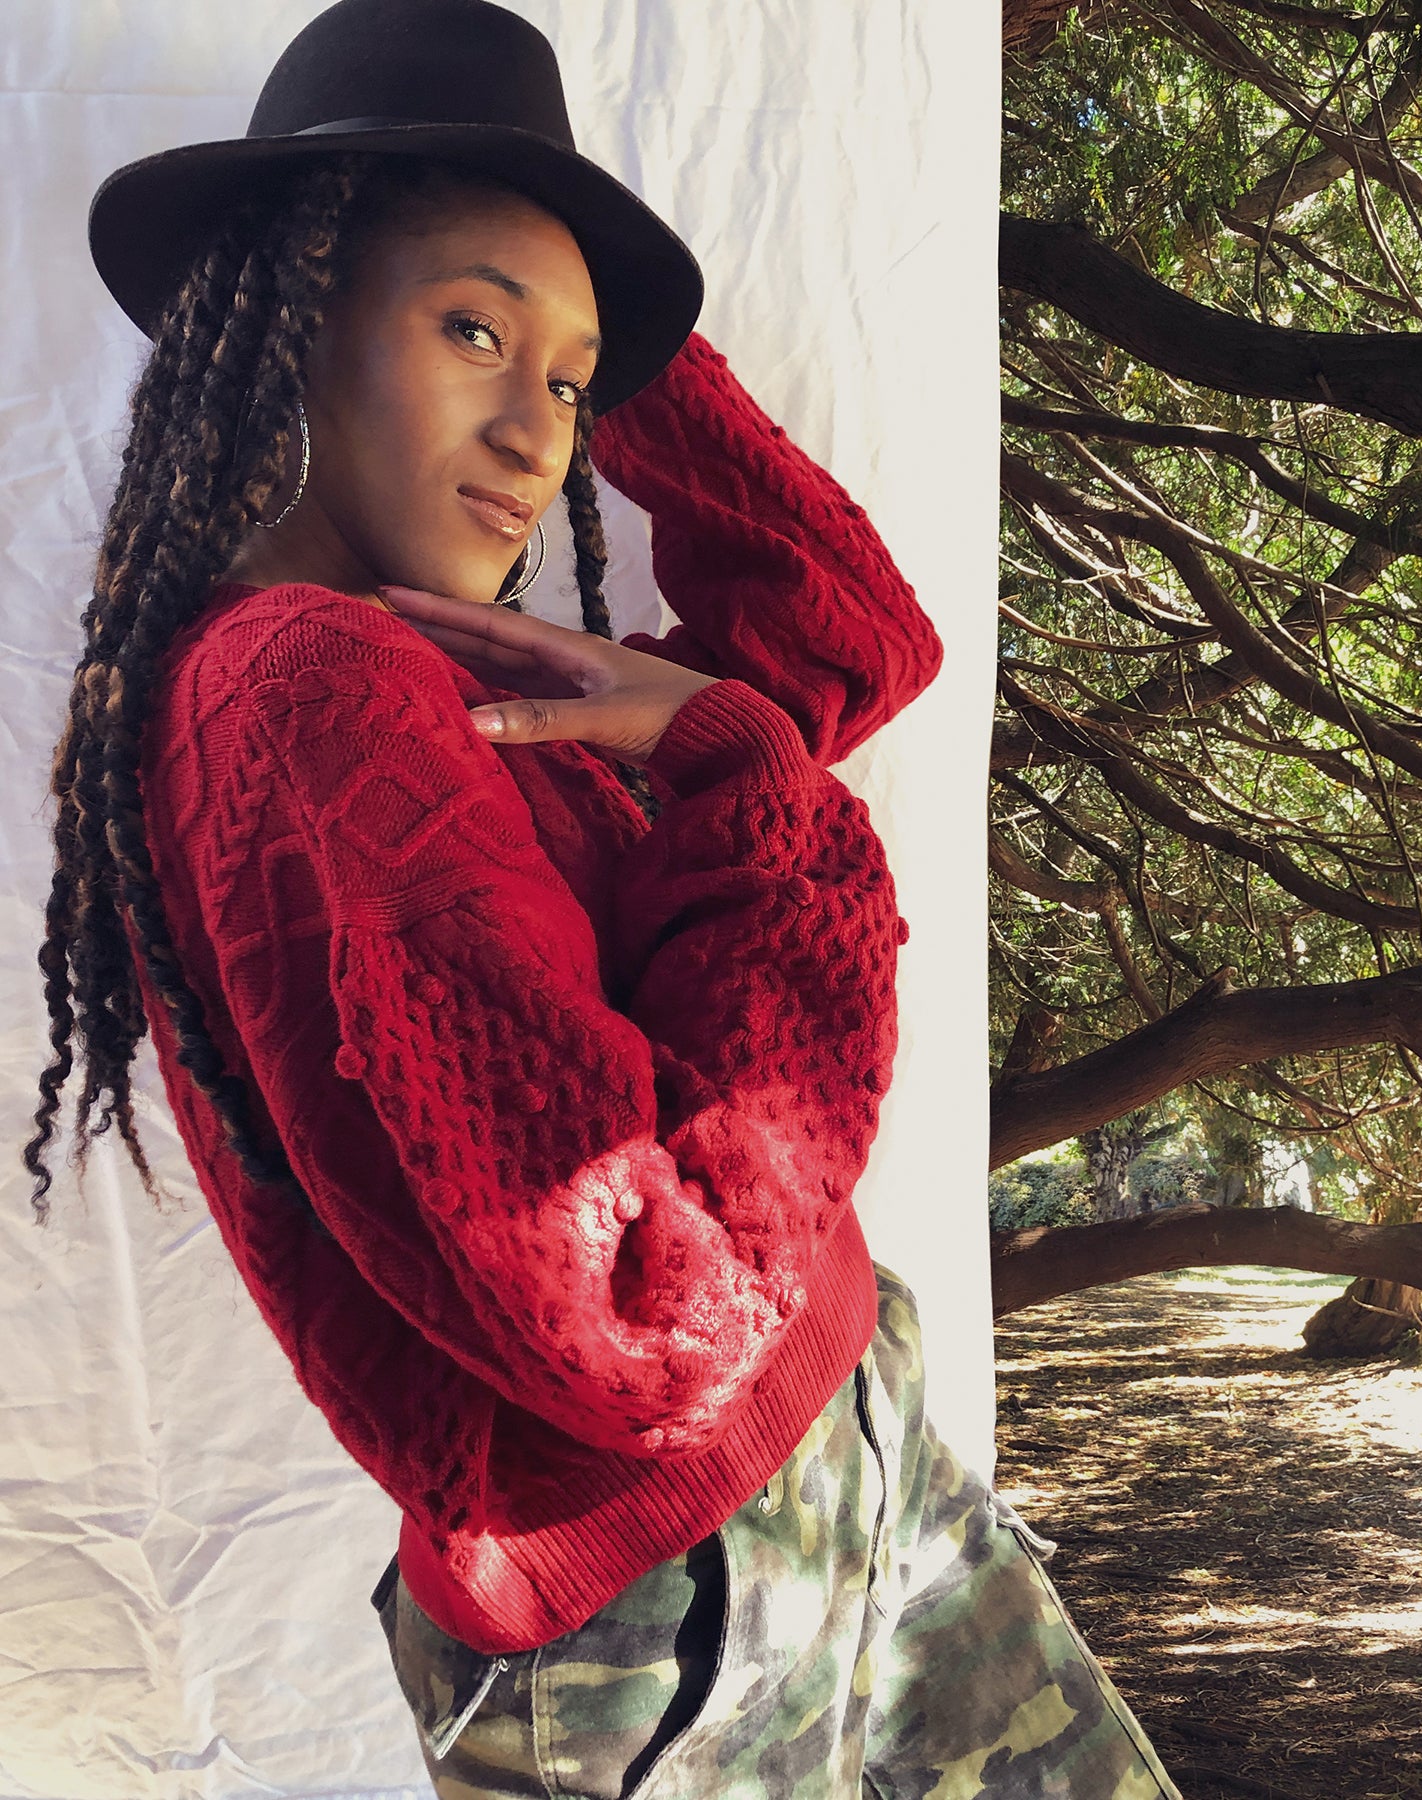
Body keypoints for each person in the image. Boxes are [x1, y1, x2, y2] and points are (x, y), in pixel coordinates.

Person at [27, 2, 1185, 1795]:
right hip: (676, 1609)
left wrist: (604, 335)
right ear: (291, 324)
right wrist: (745, 795)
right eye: (469, 329)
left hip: (811, 1467)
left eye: (570, 384)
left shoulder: (438, 676)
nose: (538, 434)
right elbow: (644, 1317)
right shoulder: (308, 700)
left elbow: (845, 642)